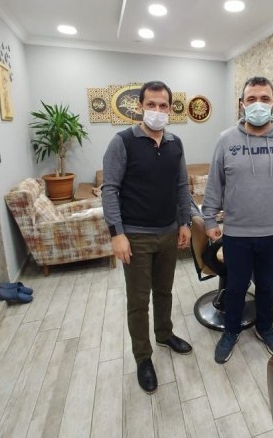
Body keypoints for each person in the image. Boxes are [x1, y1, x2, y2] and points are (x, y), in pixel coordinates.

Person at [202, 76, 273, 364]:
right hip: (237, 233)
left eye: (264, 98)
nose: (258, 104)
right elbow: (215, 184)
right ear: (242, 104)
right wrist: (209, 220)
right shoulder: (227, 140)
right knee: (236, 287)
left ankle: (265, 327)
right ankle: (231, 330)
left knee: (266, 286)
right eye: (252, 99)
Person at [102, 80, 193, 394]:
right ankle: (143, 357)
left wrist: (185, 222)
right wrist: (117, 234)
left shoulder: (175, 143)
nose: (157, 110)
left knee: (164, 291)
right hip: (136, 236)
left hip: (169, 232)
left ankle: (164, 334)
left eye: (163, 105)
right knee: (139, 301)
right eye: (151, 104)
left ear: (170, 108)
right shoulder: (122, 142)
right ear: (140, 106)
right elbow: (110, 190)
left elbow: (181, 186)